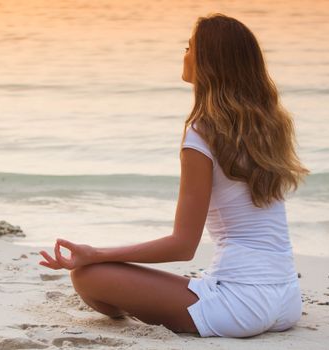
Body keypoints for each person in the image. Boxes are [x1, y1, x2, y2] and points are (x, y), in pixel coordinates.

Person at [38, 13, 309, 338]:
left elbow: (183, 246)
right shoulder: (270, 126)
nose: (185, 53)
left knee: (87, 276)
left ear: (208, 61)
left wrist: (96, 254)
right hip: (287, 299)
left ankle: (150, 303)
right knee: (108, 275)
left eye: (189, 47)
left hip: (240, 307)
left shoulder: (202, 133)